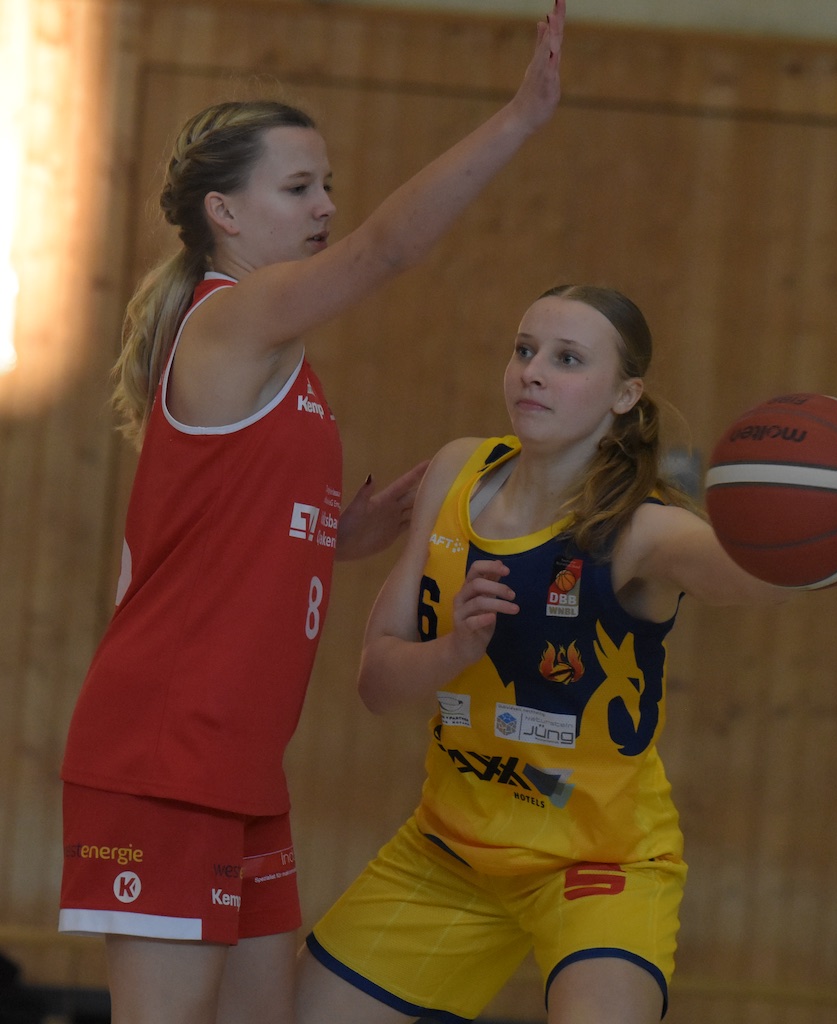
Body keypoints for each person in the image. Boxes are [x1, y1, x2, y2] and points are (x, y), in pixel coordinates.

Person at [57, 5, 565, 1024]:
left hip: (242, 759)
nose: (327, 205)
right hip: (165, 750)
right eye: (299, 188)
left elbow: (213, 545)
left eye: (327, 184)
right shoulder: (234, 318)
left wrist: (345, 535)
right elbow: (388, 249)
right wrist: (519, 117)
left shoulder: (276, 360)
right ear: (224, 215)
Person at [294, 284, 837, 1024]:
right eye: (525, 350)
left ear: (625, 394)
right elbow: (375, 681)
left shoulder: (640, 531)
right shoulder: (456, 470)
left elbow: (747, 573)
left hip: (597, 863)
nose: (532, 371)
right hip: (449, 853)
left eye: (566, 358)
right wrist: (455, 648)